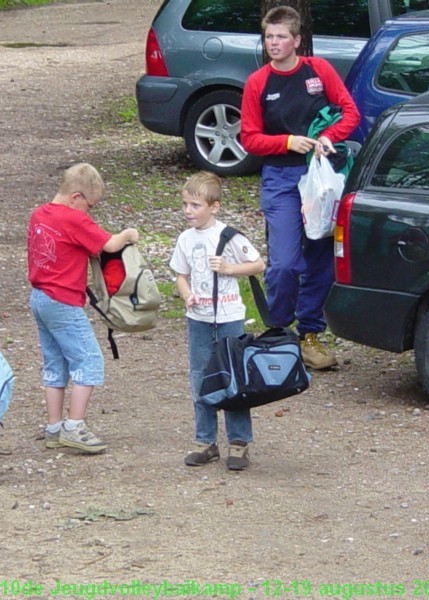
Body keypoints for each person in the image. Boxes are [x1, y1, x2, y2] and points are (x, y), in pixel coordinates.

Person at [240, 5, 360, 371]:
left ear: (296, 40)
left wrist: (327, 137)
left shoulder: (318, 71)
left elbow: (350, 113)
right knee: (286, 263)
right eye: (269, 37)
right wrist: (287, 142)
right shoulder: (258, 82)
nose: (274, 43)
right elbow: (249, 138)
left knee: (322, 256)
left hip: (322, 178)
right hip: (280, 178)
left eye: (281, 37)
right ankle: (278, 328)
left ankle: (309, 333)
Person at [28, 163, 139, 454]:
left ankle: (53, 427)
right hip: (63, 301)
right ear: (76, 197)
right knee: (89, 361)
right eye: (90, 205)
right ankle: (74, 426)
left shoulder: (40, 214)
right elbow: (109, 245)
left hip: (39, 297)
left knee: (55, 363)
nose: (90, 212)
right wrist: (128, 234)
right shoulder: (74, 219)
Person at [169, 172, 266, 471]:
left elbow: (259, 264)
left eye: (195, 205)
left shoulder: (230, 236)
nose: (188, 211)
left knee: (233, 377)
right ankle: (205, 441)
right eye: (186, 204)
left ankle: (239, 442)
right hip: (198, 319)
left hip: (228, 317)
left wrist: (229, 268)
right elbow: (180, 276)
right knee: (200, 376)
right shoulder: (185, 239)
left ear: (214, 206)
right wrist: (187, 296)